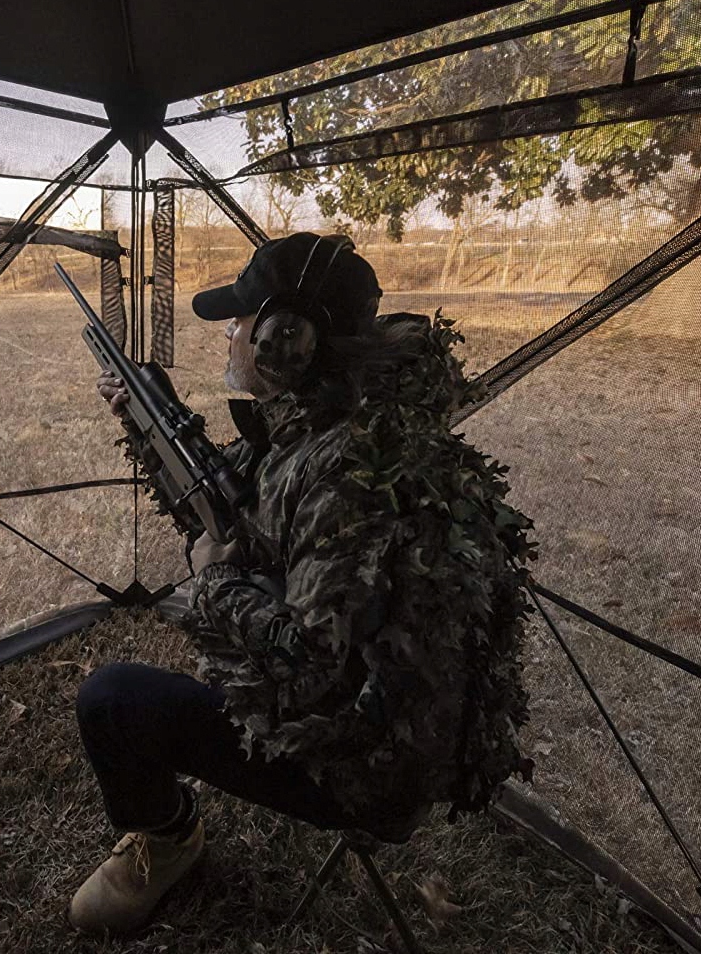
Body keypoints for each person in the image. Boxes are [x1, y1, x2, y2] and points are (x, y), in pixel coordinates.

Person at [69, 232, 539, 936]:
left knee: (112, 700)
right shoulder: (351, 422)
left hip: (365, 769)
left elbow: (311, 657)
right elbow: (230, 514)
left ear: (285, 340)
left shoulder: (339, 472)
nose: (231, 335)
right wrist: (145, 430)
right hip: (400, 730)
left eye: (242, 321)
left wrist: (219, 581)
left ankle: (167, 841)